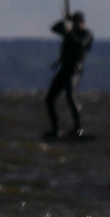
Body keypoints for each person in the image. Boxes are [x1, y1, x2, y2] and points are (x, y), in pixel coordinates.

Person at [44, 10, 92, 139]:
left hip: (74, 70)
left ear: (82, 23)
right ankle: (55, 130)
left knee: (70, 96)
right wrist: (65, 21)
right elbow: (54, 28)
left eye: (78, 23)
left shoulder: (86, 34)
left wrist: (70, 31)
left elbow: (81, 44)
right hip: (64, 70)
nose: (76, 25)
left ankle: (78, 129)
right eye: (74, 22)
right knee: (49, 99)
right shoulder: (69, 32)